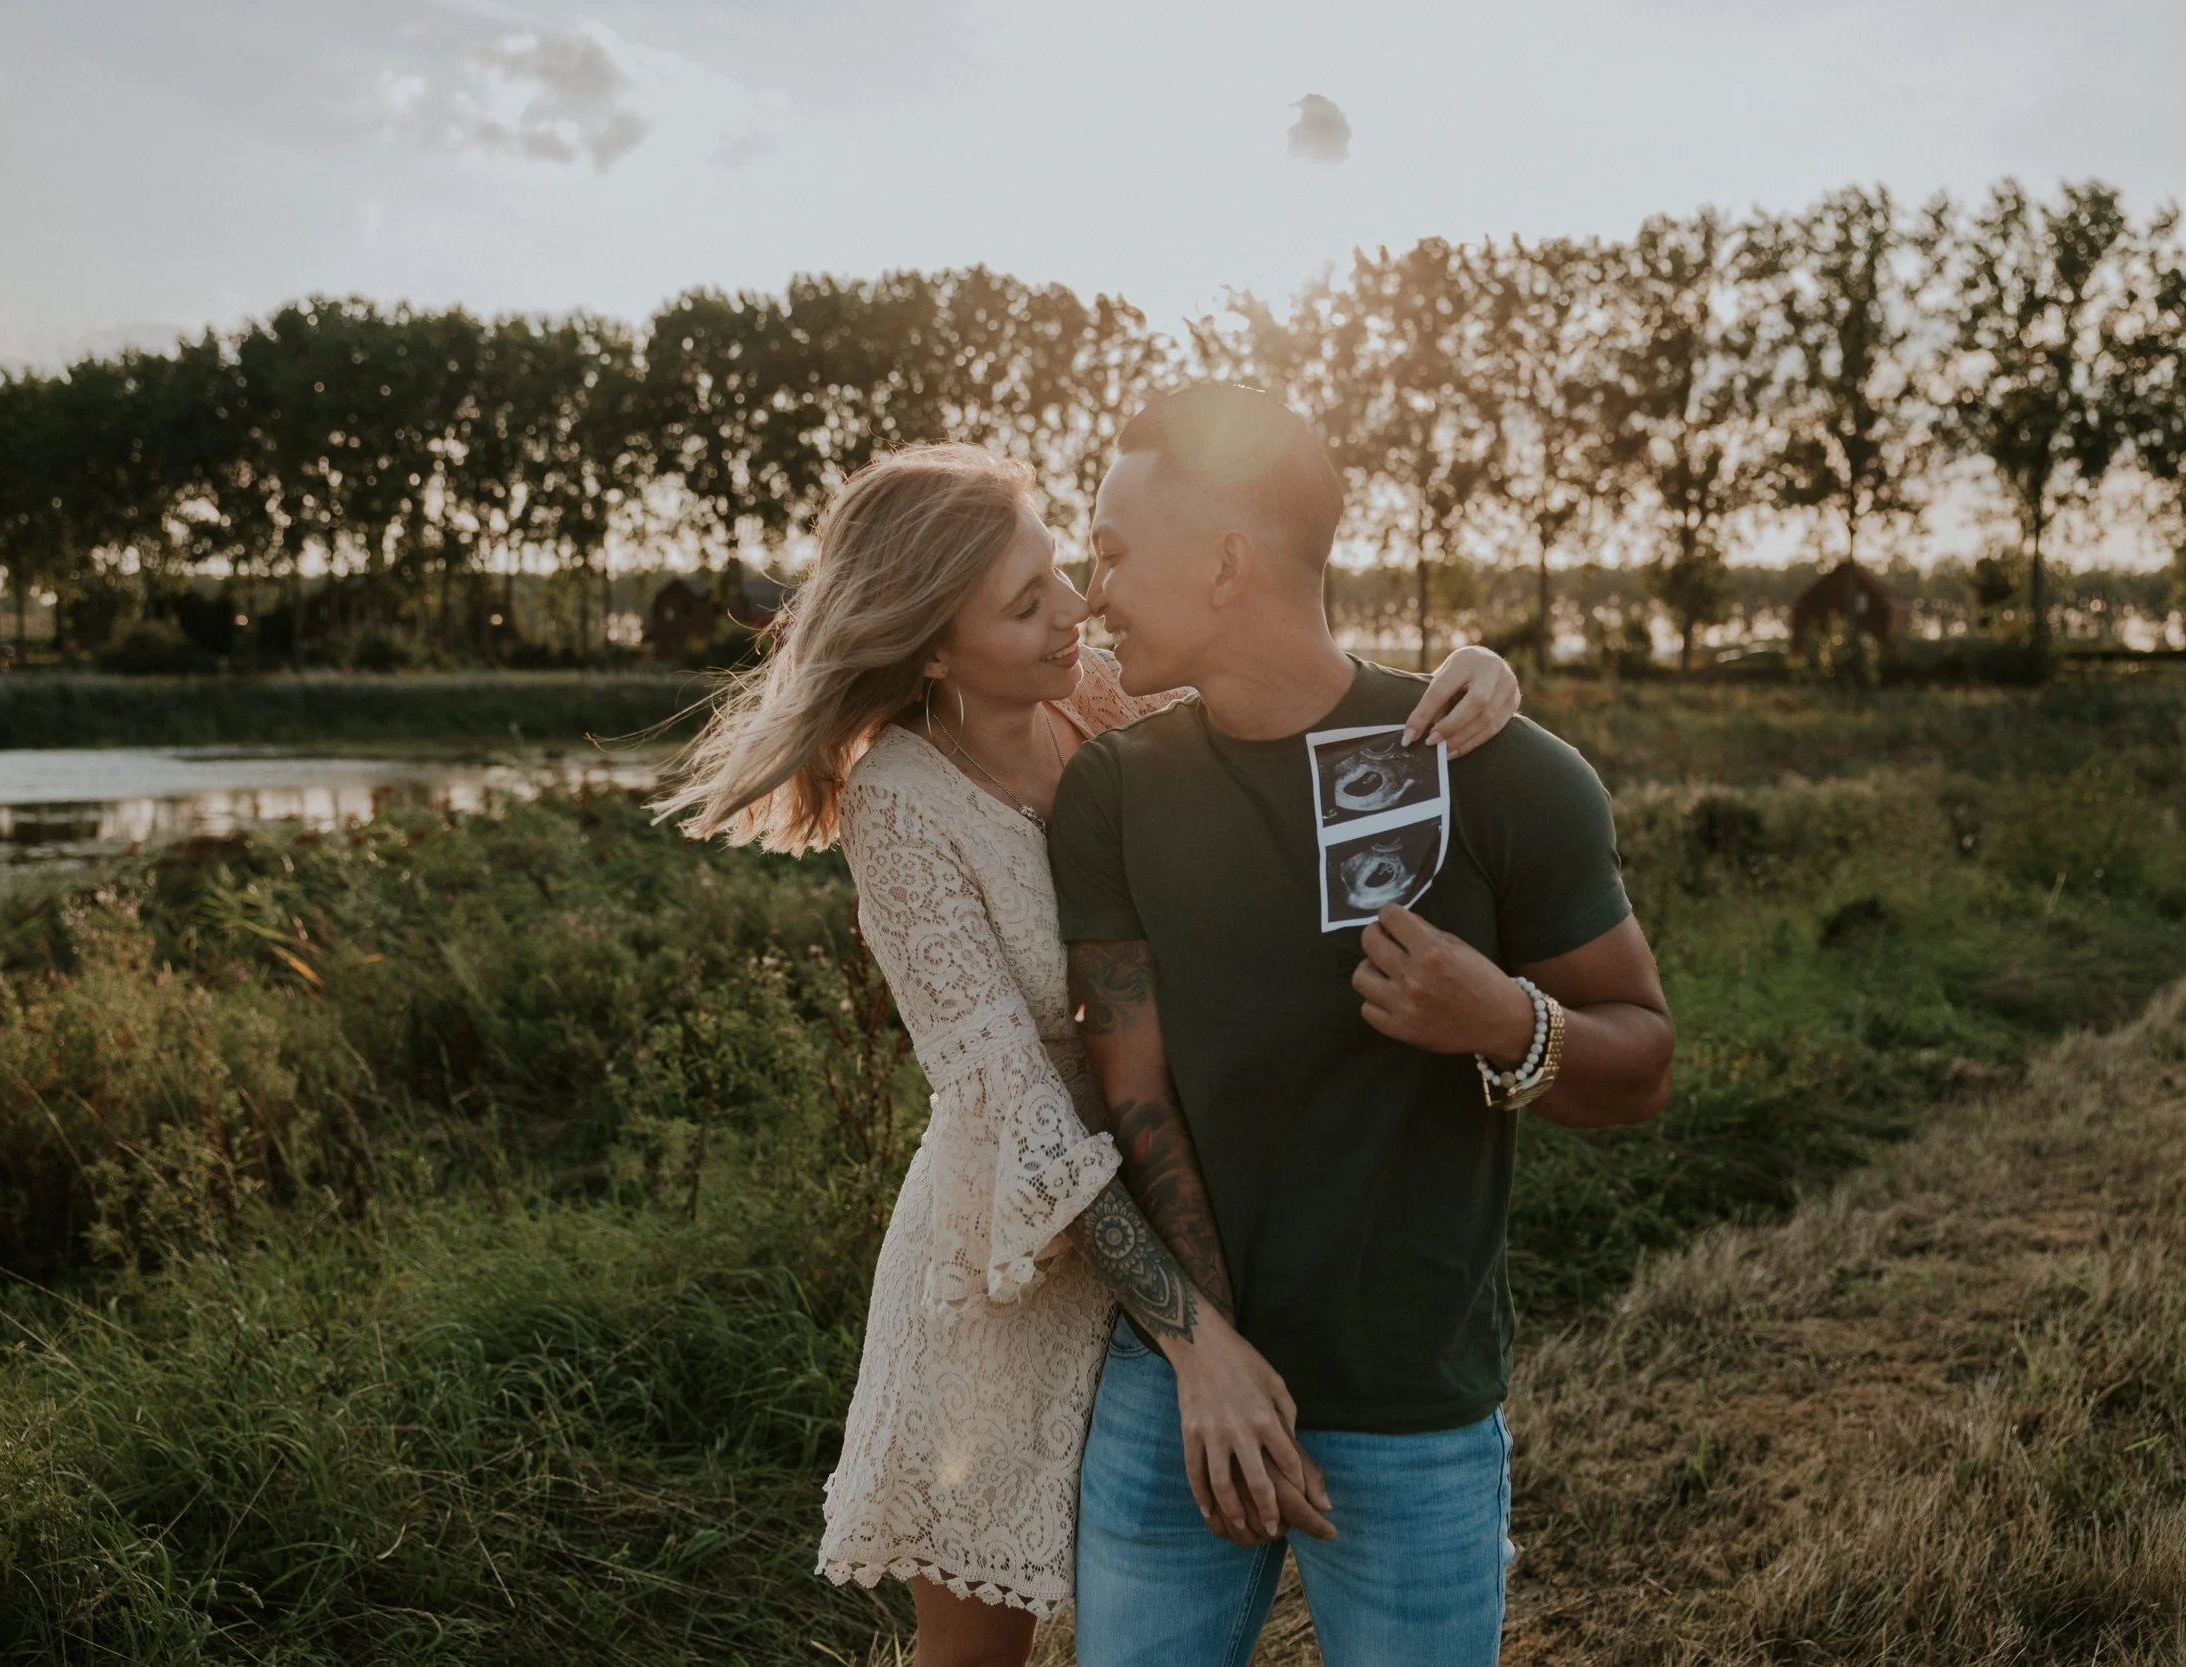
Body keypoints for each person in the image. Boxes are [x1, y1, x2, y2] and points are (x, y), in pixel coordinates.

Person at [651, 442, 1522, 1667]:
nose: (1078, 607)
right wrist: (1197, 1342)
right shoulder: (900, 805)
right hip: (1007, 1277)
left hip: (1167, 1213)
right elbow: (1022, 1113)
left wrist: (1462, 676)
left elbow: (1291, 690)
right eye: (1027, 602)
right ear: (932, 647)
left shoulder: (1097, 694)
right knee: (975, 1658)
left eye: (1060, 569)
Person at [1050, 385, 1676, 1666]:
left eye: (1112, 549)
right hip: (1173, 1397)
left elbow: (1642, 1061)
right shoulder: (1111, 787)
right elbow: (1134, 1097)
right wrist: (1203, 1353)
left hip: (1410, 1415)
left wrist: (1503, 1018)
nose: (1092, 586)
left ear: (1227, 561)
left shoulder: (1501, 772)